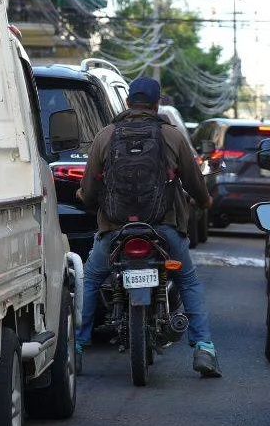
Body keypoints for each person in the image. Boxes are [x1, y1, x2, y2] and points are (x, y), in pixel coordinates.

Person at [77, 76, 221, 378]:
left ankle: (77, 346)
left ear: (128, 102)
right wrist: (204, 201)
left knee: (90, 279)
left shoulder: (106, 135)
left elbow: (89, 189)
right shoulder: (172, 136)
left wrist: (86, 201)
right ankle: (204, 348)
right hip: (163, 228)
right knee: (188, 281)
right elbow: (194, 182)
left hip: (115, 228)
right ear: (157, 104)